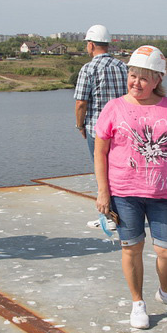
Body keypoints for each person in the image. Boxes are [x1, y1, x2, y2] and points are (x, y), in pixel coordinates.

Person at [94, 46, 167, 329]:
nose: (136, 83)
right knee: (132, 249)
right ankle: (138, 303)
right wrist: (103, 192)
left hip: (163, 194)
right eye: (132, 76)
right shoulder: (114, 108)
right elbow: (100, 152)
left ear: (158, 79)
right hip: (124, 193)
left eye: (144, 78)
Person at [73, 25, 128, 229]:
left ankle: (109, 217)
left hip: (97, 130)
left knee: (101, 172)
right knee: (119, 171)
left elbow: (81, 103)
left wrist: (80, 125)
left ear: (91, 45)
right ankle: (123, 213)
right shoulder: (122, 66)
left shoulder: (88, 68)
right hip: (122, 129)